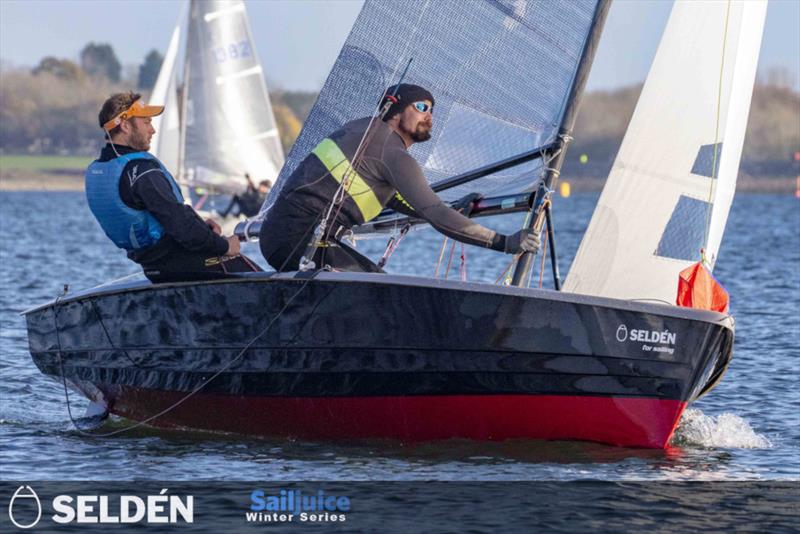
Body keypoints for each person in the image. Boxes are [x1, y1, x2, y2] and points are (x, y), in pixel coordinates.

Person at [259, 83, 540, 272]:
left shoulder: (364, 133)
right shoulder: (391, 153)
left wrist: (453, 208)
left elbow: (414, 204)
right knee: (380, 295)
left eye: (432, 110)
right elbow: (436, 214)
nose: (429, 116)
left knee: (377, 284)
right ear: (395, 111)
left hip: (287, 239)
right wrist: (505, 242)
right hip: (299, 243)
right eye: (421, 107)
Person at [85, 92, 260, 282]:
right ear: (125, 126)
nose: (152, 130)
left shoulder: (97, 171)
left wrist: (200, 225)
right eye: (146, 123)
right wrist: (225, 246)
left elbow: (164, 216)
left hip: (154, 268)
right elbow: (182, 227)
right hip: (190, 265)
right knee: (261, 278)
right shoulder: (141, 171)